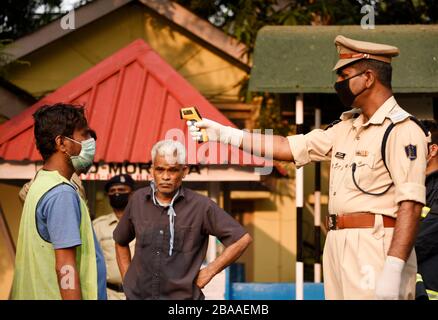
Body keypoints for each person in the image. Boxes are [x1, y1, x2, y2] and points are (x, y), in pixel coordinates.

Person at [188, 35, 429, 300]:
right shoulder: (345, 128)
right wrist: (225, 134)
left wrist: (393, 269)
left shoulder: (401, 130)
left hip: (375, 247)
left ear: (369, 77)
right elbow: (287, 147)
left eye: (344, 76)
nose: (339, 84)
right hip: (338, 244)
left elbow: (411, 205)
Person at [113, 140, 252, 300]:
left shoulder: (201, 206)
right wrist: (128, 281)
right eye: (160, 170)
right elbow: (120, 241)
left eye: (173, 170)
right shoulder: (138, 200)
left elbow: (242, 239)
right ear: (152, 170)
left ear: (184, 171)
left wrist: (209, 271)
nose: (165, 176)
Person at [12, 104, 107, 300]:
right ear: (62, 143)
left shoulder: (40, 183)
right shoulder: (61, 193)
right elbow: (66, 268)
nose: (90, 143)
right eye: (84, 135)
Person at [93, 174, 136, 300]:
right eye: (113, 191)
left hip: (139, 293)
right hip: (108, 293)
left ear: (132, 194)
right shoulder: (98, 226)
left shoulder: (143, 223)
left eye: (121, 190)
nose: (117, 193)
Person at [415, 120, 438, 300]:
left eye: (413, 146)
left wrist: (393, 255)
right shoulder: (403, 184)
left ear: (433, 150)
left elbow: (426, 237)